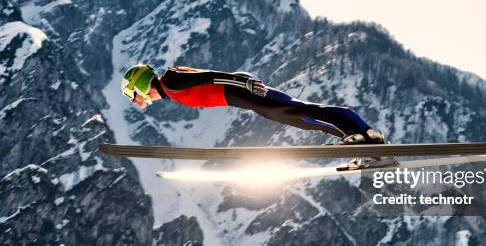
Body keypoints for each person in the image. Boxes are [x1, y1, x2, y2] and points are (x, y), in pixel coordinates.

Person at [121, 64, 392, 168]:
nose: (139, 101)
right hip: (239, 95)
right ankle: (364, 141)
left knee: (299, 110)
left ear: (140, 84)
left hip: (240, 91)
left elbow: (210, 77)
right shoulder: (171, 89)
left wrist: (243, 83)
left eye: (135, 95)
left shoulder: (170, 79)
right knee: (297, 116)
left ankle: (362, 135)